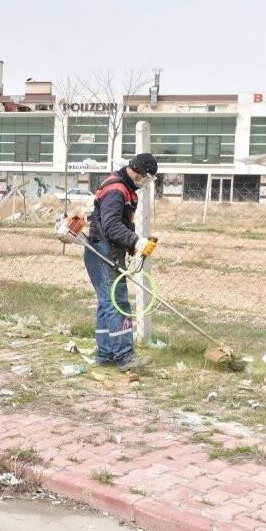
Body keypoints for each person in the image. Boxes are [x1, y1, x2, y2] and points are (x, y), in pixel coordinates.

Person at [85, 153, 158, 371]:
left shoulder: (126, 189)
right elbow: (111, 226)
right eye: (146, 178)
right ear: (137, 171)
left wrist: (133, 245)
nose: (145, 183)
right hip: (102, 251)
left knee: (106, 303)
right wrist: (137, 241)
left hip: (107, 249)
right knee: (117, 302)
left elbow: (121, 225)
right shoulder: (116, 190)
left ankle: (105, 353)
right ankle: (125, 358)